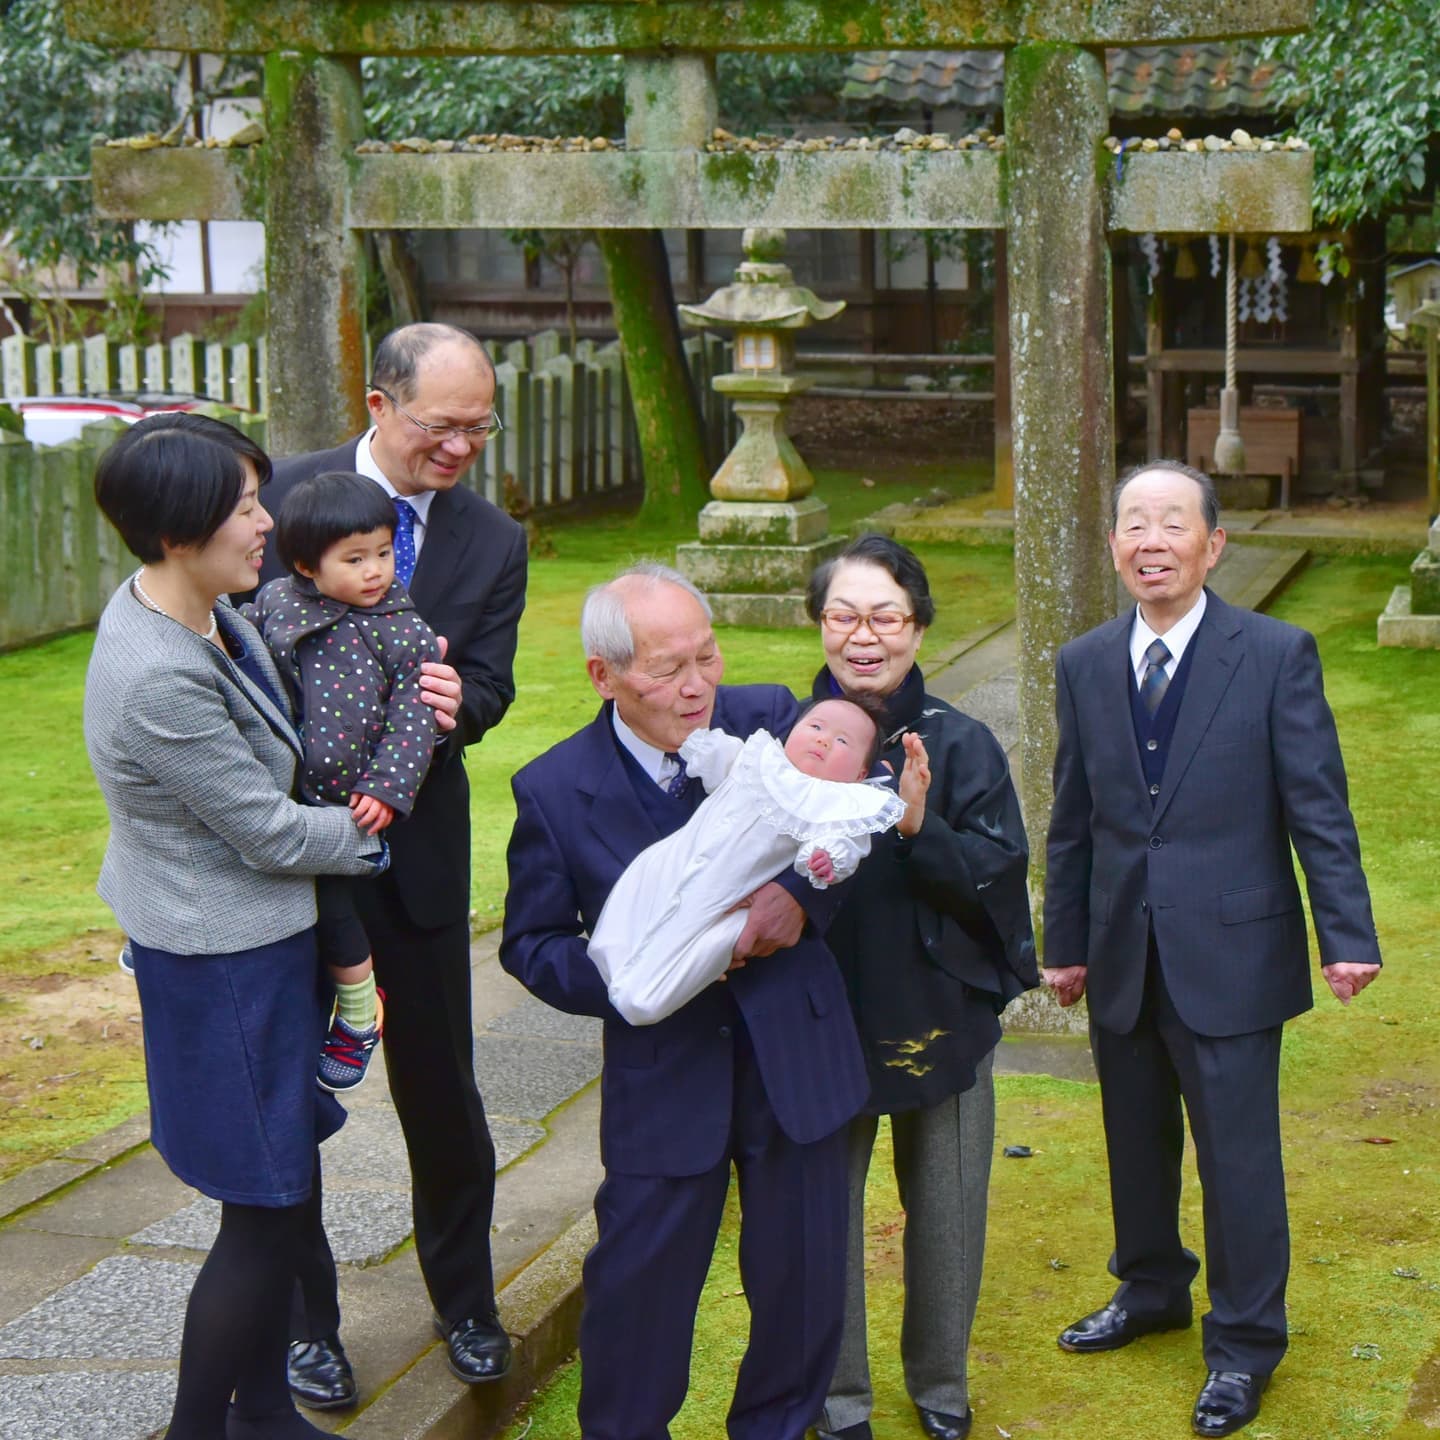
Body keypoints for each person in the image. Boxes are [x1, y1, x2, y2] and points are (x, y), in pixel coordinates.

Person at [1043, 460, 1381, 1438]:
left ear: (1213, 544)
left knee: (1238, 1162)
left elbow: (1319, 809)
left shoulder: (1275, 655)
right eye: (1132, 524)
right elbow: (1075, 825)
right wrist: (1065, 944)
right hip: (1120, 952)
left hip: (1233, 953)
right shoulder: (1086, 663)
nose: (1151, 540)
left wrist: (1346, 935)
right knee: (1134, 1142)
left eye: (1172, 524)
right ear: (1113, 546)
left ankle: (1243, 1344)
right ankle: (1150, 1289)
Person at [500, 563, 869, 1440]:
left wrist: (801, 898)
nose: (697, 685)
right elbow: (532, 943)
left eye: (707, 656)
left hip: (795, 1057)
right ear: (605, 674)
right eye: (669, 669)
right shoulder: (554, 789)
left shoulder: (772, 717)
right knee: (637, 1297)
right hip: (665, 1072)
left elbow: (848, 816)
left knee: (806, 1285)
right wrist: (645, 973)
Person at [83, 413, 387, 1440]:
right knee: (261, 1215)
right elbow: (265, 830)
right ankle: (194, 1432)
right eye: (245, 505)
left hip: (260, 947)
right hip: (221, 969)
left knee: (281, 1193)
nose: (268, 521)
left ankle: (263, 1413)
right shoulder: (158, 673)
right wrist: (375, 835)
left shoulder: (207, 611)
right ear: (178, 530)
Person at [255, 323, 528, 1406]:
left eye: (480, 427)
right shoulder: (279, 494)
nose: (462, 447)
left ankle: (466, 1302)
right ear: (379, 404)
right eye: (442, 425)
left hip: (415, 854)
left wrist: (462, 709)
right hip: (282, 861)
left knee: (442, 1092)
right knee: (284, 1096)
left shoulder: (490, 540)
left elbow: (497, 688)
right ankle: (301, 1326)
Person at [806, 534, 1038, 1440]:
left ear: (919, 627)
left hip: (938, 1002)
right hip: (821, 1009)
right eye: (844, 615)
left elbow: (999, 869)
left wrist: (916, 825)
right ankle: (838, 1401)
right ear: (821, 623)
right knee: (823, 1212)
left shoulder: (963, 742)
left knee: (946, 1213)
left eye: (887, 617)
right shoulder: (790, 736)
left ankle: (941, 1387)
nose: (865, 638)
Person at [245, 470, 441, 1091]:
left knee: (334, 912)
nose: (375, 571)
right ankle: (163, 939)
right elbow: (236, 639)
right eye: (354, 559)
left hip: (341, 807)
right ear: (306, 564)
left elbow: (415, 718)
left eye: (383, 552)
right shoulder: (277, 602)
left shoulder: (403, 628)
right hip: (274, 786)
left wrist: (388, 785)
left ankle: (358, 1015)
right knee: (223, 844)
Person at [589, 696, 909, 1026]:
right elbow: (719, 761)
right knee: (637, 897)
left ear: (859, 774)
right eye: (815, 726)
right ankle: (614, 960)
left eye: (842, 740)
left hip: (728, 895)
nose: (823, 739)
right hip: (680, 856)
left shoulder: (836, 804)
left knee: (702, 943)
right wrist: (707, 749)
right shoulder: (758, 759)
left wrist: (826, 859)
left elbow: (844, 844)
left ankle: (643, 998)